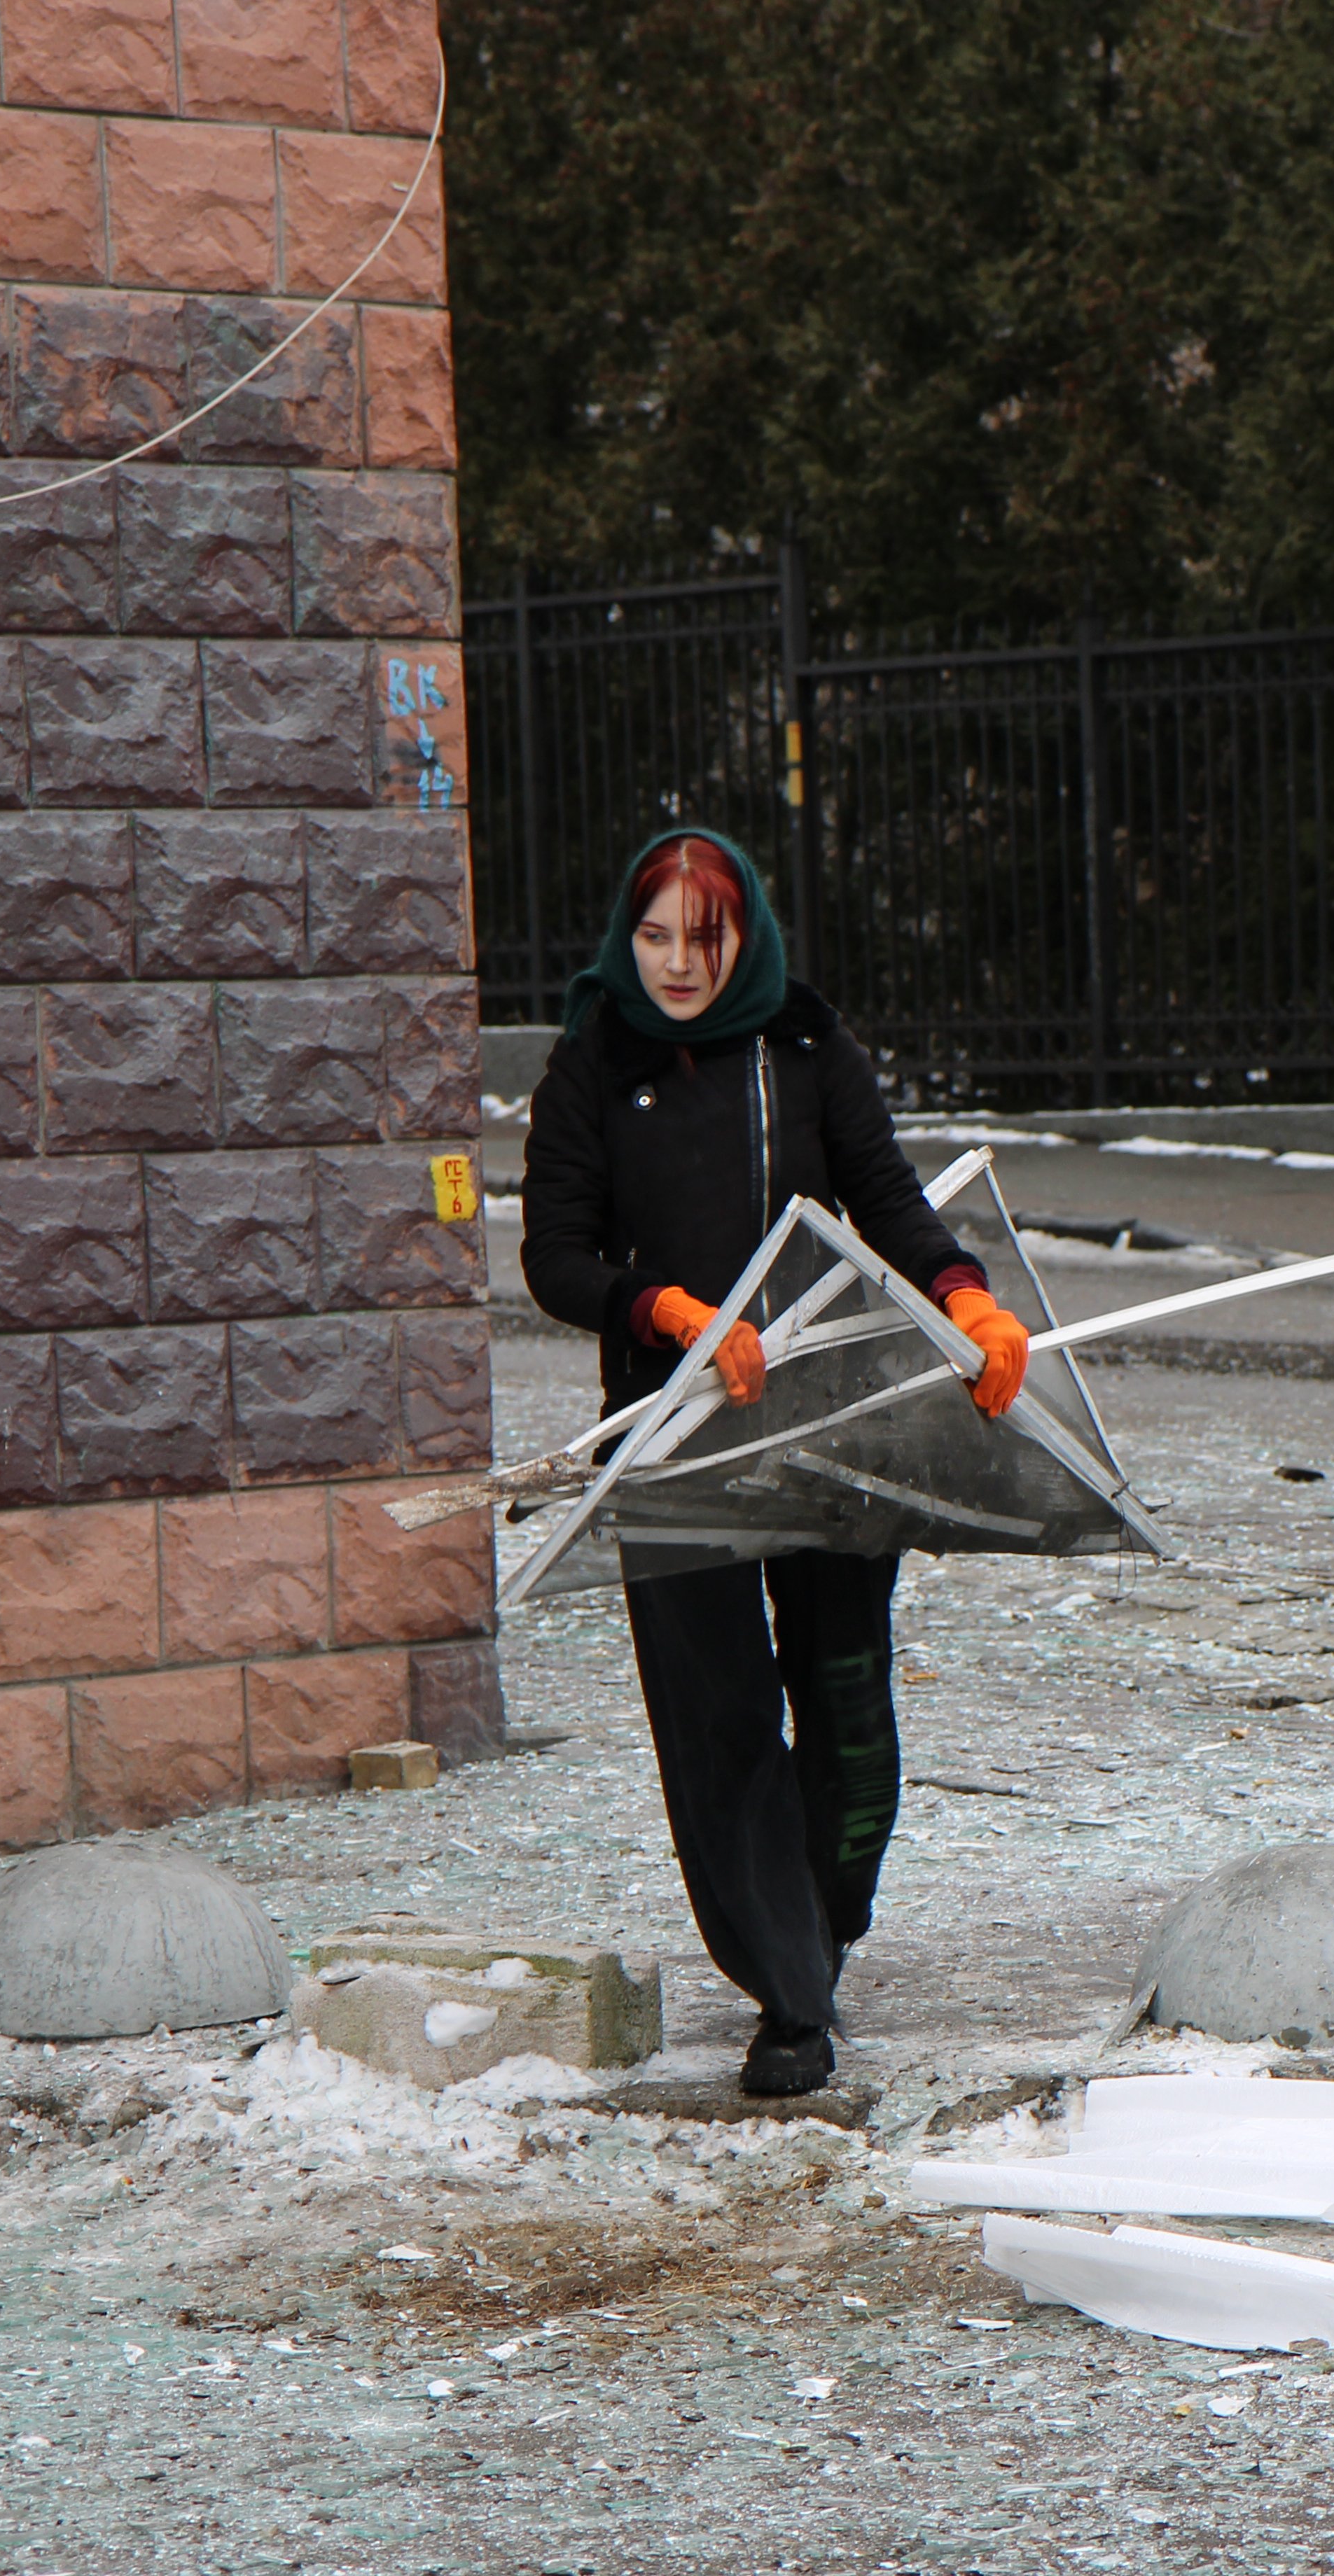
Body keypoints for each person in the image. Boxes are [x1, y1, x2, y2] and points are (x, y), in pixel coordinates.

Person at [520, 828, 1036, 2098]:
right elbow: (556, 1254)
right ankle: (790, 1996)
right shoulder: (593, 1060)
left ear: (747, 933)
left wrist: (968, 1301)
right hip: (677, 1430)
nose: (679, 964)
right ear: (623, 939)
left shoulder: (803, 1048)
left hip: (824, 1430)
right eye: (655, 938)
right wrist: (668, 1315)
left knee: (849, 1700)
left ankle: (826, 1918)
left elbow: (890, 1199)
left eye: (706, 936)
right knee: (723, 1721)